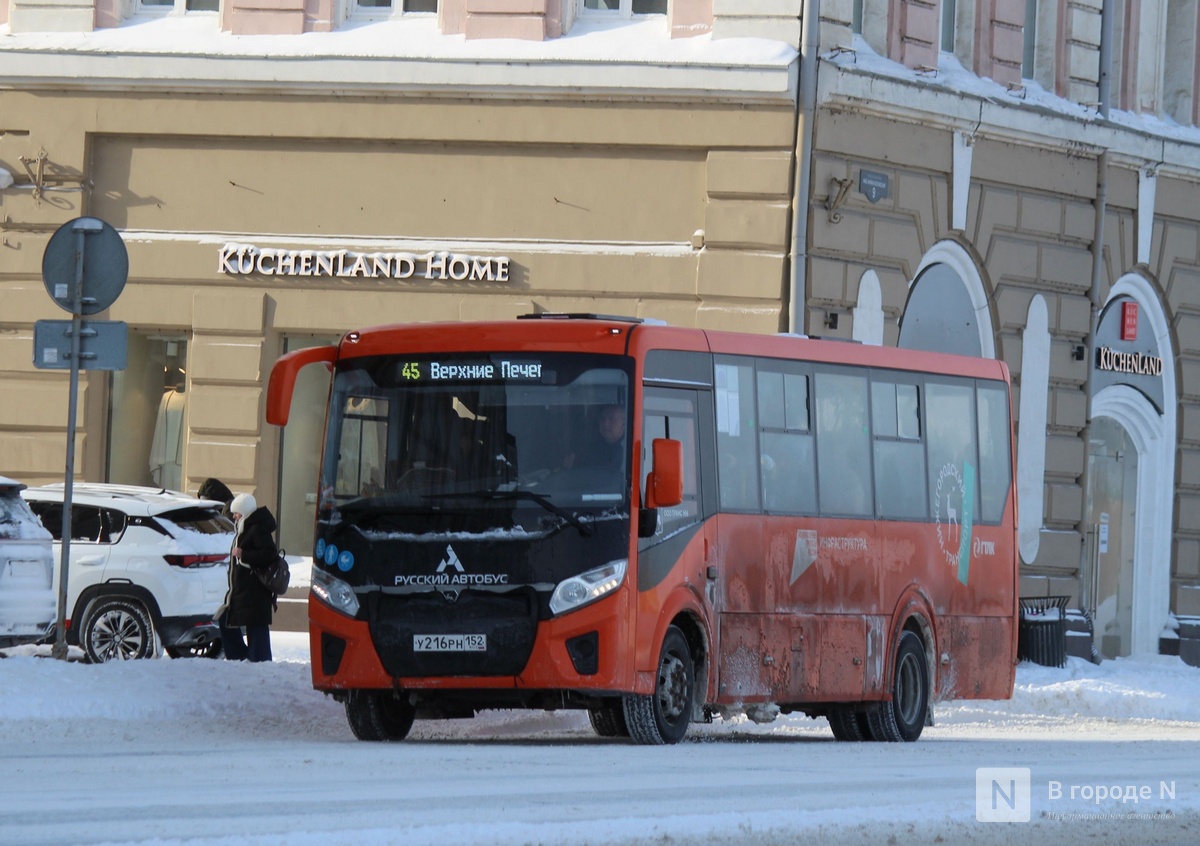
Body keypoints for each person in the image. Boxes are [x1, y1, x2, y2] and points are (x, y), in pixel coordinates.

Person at [215, 492, 275, 662]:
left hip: (254, 589)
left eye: (236, 513)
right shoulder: (246, 527)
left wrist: (244, 554)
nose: (234, 517)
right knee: (232, 619)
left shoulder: (256, 528)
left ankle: (255, 659)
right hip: (244, 589)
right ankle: (245, 657)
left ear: (245, 512)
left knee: (255, 624)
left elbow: (269, 554)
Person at [563, 403, 626, 471]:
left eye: (611, 419)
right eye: (602, 418)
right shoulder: (587, 450)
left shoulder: (629, 450)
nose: (605, 423)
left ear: (624, 423)